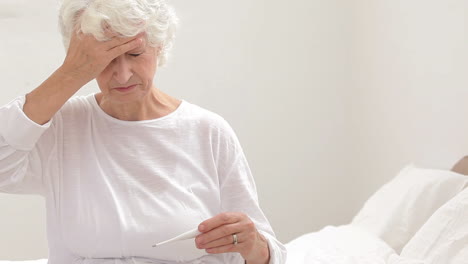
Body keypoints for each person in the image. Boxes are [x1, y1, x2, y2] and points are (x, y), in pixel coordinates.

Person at [0, 0, 286, 263]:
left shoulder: (207, 131)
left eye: (134, 54)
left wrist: (254, 245)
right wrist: (69, 74)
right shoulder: (61, 125)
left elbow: (265, 253)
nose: (122, 75)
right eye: (104, 59)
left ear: (159, 46)